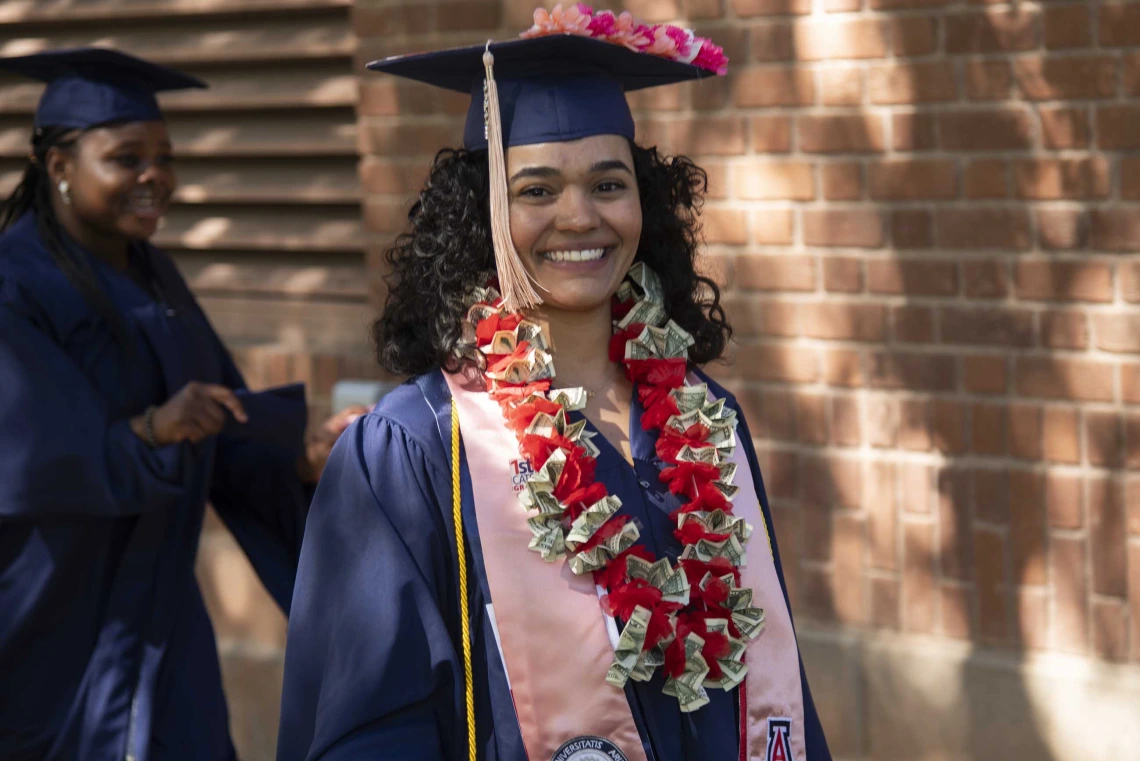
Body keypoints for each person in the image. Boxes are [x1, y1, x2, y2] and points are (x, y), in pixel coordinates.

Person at [278, 7, 831, 761]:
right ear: (484, 217)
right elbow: (374, 732)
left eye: (609, 183)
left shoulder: (708, 423)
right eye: (536, 190)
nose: (579, 216)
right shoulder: (414, 449)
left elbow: (774, 681)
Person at [0, 48, 362, 761]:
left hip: (158, 611)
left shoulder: (154, 275)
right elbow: (27, 454)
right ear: (59, 166)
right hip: (52, 613)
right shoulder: (13, 285)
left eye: (163, 157)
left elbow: (221, 421)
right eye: (126, 158)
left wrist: (303, 454)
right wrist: (151, 430)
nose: (154, 177)